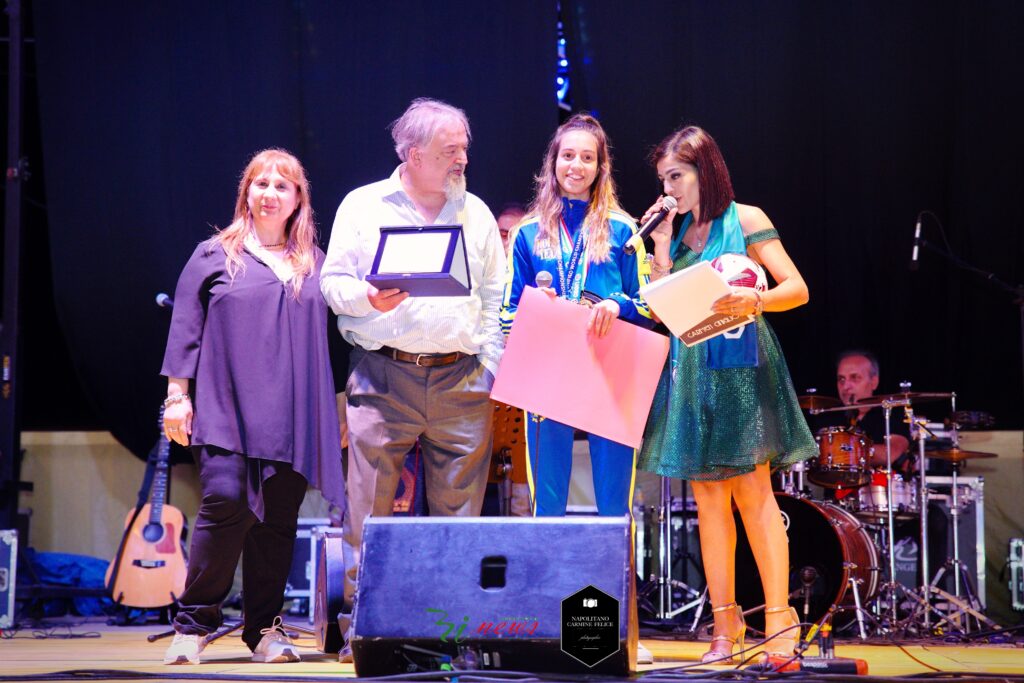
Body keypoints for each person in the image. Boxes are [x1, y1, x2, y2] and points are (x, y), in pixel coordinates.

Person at [320, 98, 505, 657]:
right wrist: (368, 297)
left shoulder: (475, 211)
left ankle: (456, 632)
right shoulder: (363, 205)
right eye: (450, 150)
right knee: (368, 513)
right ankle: (365, 629)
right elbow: (332, 282)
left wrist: (491, 366)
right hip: (383, 377)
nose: (462, 159)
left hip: (461, 380)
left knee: (461, 517)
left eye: (464, 148)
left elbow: (496, 297)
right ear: (412, 152)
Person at [637, 126, 817, 663]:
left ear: (704, 171)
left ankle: (780, 626)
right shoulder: (676, 230)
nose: (668, 188)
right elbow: (659, 311)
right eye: (663, 179)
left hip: (741, 366)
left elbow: (796, 288)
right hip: (691, 370)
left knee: (754, 499)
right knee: (709, 504)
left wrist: (753, 301)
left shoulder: (746, 219)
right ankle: (724, 628)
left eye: (676, 176)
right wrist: (663, 248)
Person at [160, 149, 344, 665]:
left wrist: (339, 409)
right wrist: (177, 396)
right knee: (223, 504)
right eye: (260, 184)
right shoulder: (213, 255)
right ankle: (193, 624)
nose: (269, 193)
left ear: (297, 199)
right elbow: (185, 330)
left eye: (281, 186)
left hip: (292, 416)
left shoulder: (315, 263)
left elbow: (332, 343)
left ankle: (265, 630)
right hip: (226, 408)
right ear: (247, 193)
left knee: (278, 520)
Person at [499, 112, 652, 517]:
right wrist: (538, 311)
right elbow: (505, 315)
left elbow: (650, 304)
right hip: (549, 375)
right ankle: (553, 584)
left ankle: (611, 584)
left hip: (610, 371)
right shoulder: (527, 233)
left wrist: (616, 304)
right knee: (547, 506)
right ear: (553, 162)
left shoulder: (624, 230)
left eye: (587, 158)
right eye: (568, 156)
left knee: (614, 508)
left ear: (601, 167)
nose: (576, 166)